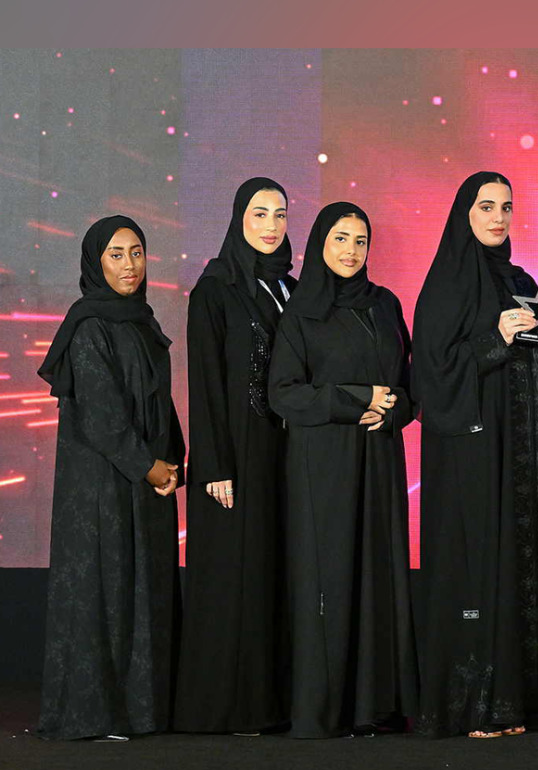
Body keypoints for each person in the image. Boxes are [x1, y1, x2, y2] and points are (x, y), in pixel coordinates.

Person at [411, 171, 538, 738]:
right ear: (464, 212)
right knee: (476, 568)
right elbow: (430, 380)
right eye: (486, 206)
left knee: (520, 561)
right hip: (470, 455)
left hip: (521, 454)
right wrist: (496, 338)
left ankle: (521, 700)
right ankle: (476, 706)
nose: (498, 217)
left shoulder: (518, 279)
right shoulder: (444, 285)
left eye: (506, 207)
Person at [268, 201, 418, 739]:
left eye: (360, 241)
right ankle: (324, 710)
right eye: (340, 239)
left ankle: (372, 706)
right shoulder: (300, 312)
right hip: (323, 462)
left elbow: (408, 383)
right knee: (328, 577)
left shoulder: (385, 305)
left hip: (379, 459)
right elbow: (283, 394)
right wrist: (357, 400)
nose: (351, 251)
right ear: (319, 245)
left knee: (378, 573)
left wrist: (395, 406)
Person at [36, 216, 185, 741]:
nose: (129, 264)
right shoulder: (88, 325)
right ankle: (96, 714)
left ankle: (138, 711)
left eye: (137, 252)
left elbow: (159, 403)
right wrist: (149, 466)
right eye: (117, 254)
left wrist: (173, 463)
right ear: (96, 261)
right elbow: (101, 416)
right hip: (100, 485)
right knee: (104, 588)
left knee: (138, 590)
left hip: (142, 479)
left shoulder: (142, 319)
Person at [174, 177, 294, 735]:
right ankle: (229, 705)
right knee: (235, 576)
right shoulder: (215, 289)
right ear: (238, 219)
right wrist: (215, 466)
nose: (271, 225)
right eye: (259, 213)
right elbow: (205, 384)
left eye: (280, 214)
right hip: (235, 457)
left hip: (282, 452)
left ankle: (271, 701)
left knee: (271, 571)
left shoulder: (289, 288)